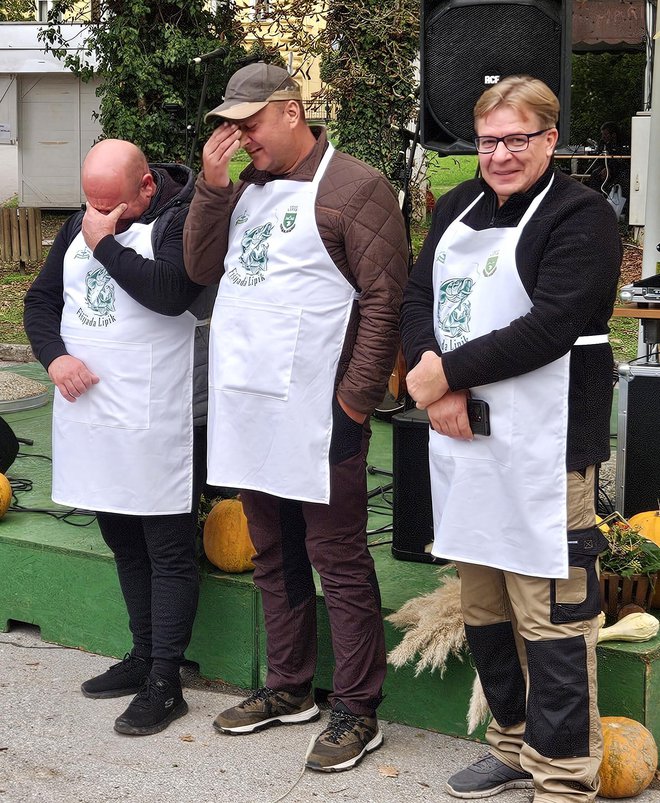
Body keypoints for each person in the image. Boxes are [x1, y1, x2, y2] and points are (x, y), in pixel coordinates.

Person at [400, 77, 621, 801]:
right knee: (485, 608)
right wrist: (437, 377)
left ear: (550, 139)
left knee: (552, 615)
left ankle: (562, 775)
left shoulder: (582, 218)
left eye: (516, 139)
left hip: (545, 447)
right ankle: (511, 741)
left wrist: (443, 375)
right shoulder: (458, 206)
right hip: (463, 440)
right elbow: (419, 295)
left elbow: (552, 324)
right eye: (488, 140)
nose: (498, 155)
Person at [183, 62, 408, 771]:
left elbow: (383, 302)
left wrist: (353, 401)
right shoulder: (241, 186)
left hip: (319, 409)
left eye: (249, 124)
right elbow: (199, 268)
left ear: (292, 110)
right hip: (249, 403)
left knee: (336, 557)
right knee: (272, 550)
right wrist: (211, 192)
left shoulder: (356, 186)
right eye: (231, 127)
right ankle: (289, 686)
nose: (240, 138)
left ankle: (357, 706)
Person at [24, 139, 215, 736]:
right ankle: (140, 654)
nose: (96, 216)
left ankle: (167, 679)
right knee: (122, 538)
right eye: (90, 205)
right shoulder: (82, 225)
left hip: (162, 417)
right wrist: (54, 358)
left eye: (111, 205)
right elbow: (40, 302)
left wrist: (104, 243)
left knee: (167, 546)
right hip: (95, 417)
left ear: (147, 189)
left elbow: (170, 294)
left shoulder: (179, 219)